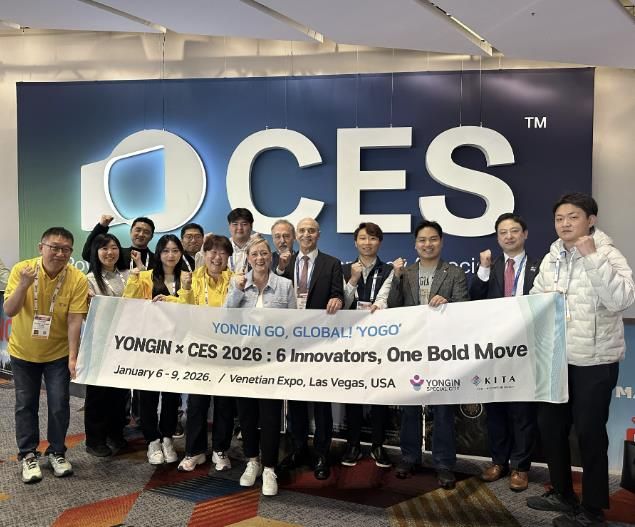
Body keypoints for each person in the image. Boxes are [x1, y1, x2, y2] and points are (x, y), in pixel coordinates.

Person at [526, 193, 634, 527]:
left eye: (573, 217)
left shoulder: (608, 254)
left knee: (590, 434)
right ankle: (562, 492)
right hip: (557, 359)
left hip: (594, 361)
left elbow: (621, 300)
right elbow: (536, 298)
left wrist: (592, 258)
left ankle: (593, 509)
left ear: (591, 220)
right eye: (559, 218)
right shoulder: (552, 257)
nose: (565, 224)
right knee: (551, 428)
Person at [387, 220, 468, 489]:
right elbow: (394, 307)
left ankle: (443, 463)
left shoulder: (454, 273)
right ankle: (409, 457)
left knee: (443, 410)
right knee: (410, 406)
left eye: (433, 239)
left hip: (442, 350)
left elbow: (465, 309)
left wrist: (449, 303)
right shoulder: (406, 273)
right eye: (422, 240)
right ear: (415, 244)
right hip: (412, 349)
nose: (427, 244)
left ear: (441, 242)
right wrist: (396, 278)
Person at [4, 227, 88, 483]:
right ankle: (28, 454)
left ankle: (57, 452)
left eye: (66, 249)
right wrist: (23, 285)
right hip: (23, 352)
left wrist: (73, 357)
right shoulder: (23, 270)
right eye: (54, 247)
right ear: (41, 248)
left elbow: (74, 320)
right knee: (25, 404)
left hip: (57, 354)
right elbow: (10, 310)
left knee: (59, 404)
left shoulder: (77, 278)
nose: (60, 253)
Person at [469, 213, 540, 492]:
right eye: (503, 232)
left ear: (525, 234)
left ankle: (521, 467)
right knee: (496, 409)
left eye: (514, 231)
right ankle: (499, 461)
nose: (508, 236)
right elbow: (474, 298)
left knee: (522, 411)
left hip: (526, 347)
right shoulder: (491, 267)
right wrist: (483, 269)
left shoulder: (539, 266)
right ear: (497, 237)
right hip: (495, 349)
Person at [224, 238, 296, 496]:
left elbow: (293, 324)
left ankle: (269, 468)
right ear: (248, 258)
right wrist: (237, 290)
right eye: (254, 254)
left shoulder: (285, 285)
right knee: (247, 416)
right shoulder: (239, 283)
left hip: (272, 363)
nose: (260, 258)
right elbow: (225, 317)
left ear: (271, 256)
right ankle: (252, 461)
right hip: (244, 362)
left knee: (270, 416)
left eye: (264, 253)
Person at [164, 235, 236, 474]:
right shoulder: (192, 279)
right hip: (199, 351)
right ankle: (195, 451)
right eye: (212, 252)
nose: (217, 257)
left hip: (227, 353)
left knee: (224, 404)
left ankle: (221, 450)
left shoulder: (235, 280)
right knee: (196, 404)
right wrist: (175, 295)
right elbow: (184, 309)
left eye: (222, 253)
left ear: (228, 257)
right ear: (203, 255)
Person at [280, 217, 344, 480]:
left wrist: (337, 299)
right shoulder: (284, 263)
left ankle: (321, 454)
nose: (306, 235)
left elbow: (338, 293)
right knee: (295, 399)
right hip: (290, 343)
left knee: (320, 401)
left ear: (318, 235)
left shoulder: (332, 263)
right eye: (302, 231)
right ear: (296, 236)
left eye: (311, 231)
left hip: (319, 343)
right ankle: (298, 449)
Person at [122, 234, 184, 465]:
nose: (171, 255)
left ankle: (167, 437)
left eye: (175, 250)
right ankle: (152, 441)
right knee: (147, 395)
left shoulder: (187, 278)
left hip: (177, 346)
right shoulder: (146, 276)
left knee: (171, 396)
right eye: (166, 251)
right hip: (150, 345)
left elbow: (193, 306)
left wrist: (172, 301)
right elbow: (129, 302)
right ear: (159, 253)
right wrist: (134, 277)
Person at [340, 222, 395, 468]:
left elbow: (385, 298)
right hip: (352, 341)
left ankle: (377, 445)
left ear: (379, 242)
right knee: (352, 392)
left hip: (379, 340)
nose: (367, 243)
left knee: (379, 392)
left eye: (372, 238)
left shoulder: (389, 270)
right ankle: (352, 444)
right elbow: (342, 303)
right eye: (362, 238)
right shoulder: (344, 269)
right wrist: (353, 280)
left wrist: (379, 306)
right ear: (355, 242)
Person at [83, 233, 130, 457]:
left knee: (120, 393)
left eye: (113, 247)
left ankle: (116, 433)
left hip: (125, 343)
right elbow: (85, 314)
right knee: (98, 393)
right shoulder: (89, 279)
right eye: (104, 248)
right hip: (100, 343)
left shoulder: (128, 275)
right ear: (96, 252)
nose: (110, 252)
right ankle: (95, 440)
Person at [82, 215, 156, 271]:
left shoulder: (157, 260)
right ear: (131, 231)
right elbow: (87, 254)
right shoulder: (117, 254)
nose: (141, 234)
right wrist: (101, 227)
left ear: (151, 236)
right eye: (138, 230)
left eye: (146, 232)